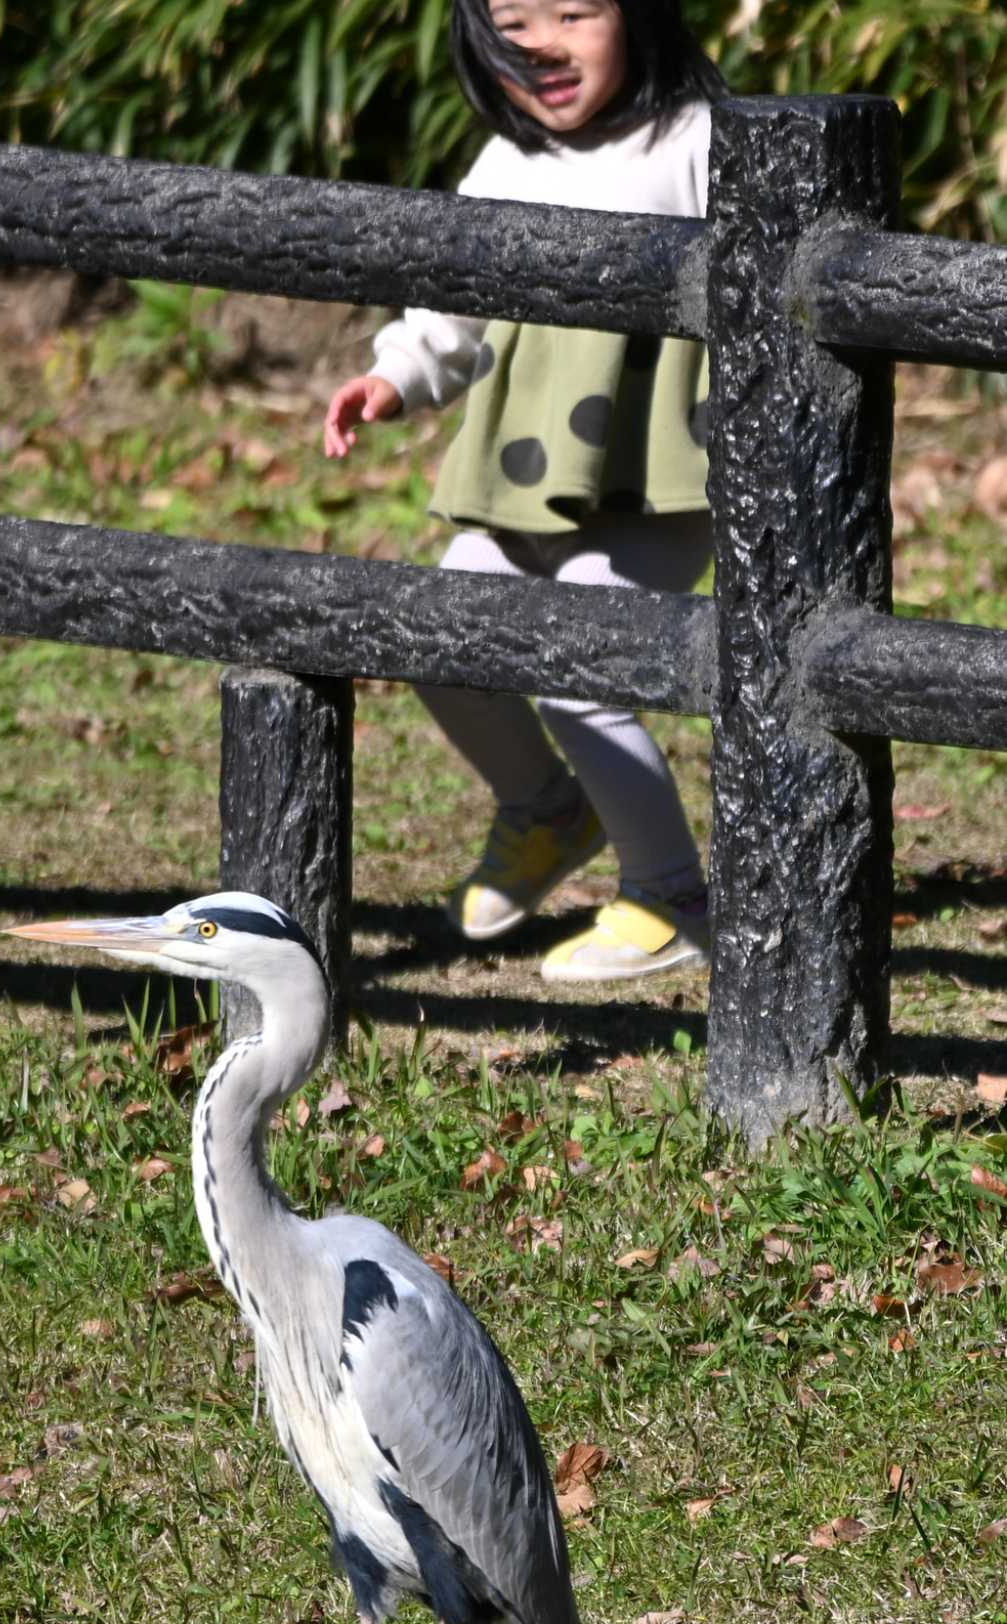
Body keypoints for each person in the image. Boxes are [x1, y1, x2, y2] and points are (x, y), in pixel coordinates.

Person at [324, 0, 724, 982]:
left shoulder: (694, 141)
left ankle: (670, 895)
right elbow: (447, 311)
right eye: (511, 19)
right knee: (444, 633)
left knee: (575, 654)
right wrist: (395, 375)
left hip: (650, 478)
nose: (540, 43)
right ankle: (548, 807)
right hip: (522, 470)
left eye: (573, 12)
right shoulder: (507, 164)